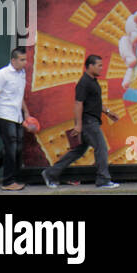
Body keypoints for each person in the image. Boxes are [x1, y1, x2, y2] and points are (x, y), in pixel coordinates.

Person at [42, 55, 120, 190]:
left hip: (90, 121)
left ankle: (50, 173)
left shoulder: (92, 81)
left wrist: (108, 112)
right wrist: (78, 125)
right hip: (88, 122)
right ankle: (103, 180)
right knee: (101, 148)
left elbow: (94, 103)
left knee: (77, 151)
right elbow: (78, 104)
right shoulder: (84, 83)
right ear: (90, 66)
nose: (102, 68)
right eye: (99, 65)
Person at [0, 47, 30, 191]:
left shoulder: (22, 74)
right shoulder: (2, 74)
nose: (25, 62)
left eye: (25, 59)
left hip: (17, 115)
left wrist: (26, 112)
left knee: (17, 148)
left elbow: (19, 95)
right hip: (4, 114)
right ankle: (8, 182)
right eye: (22, 60)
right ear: (13, 60)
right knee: (11, 147)